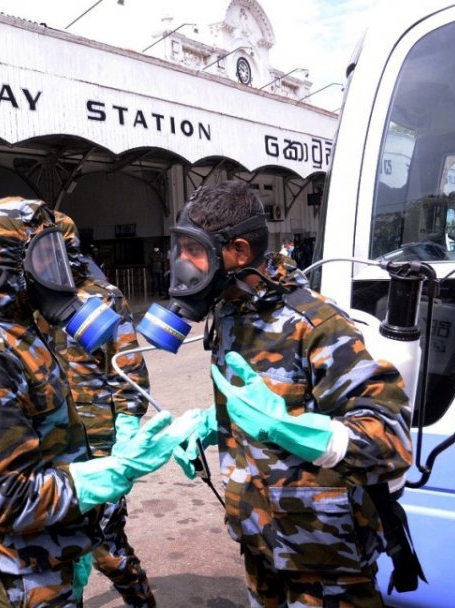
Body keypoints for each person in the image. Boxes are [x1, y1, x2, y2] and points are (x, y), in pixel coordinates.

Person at [0, 196, 203, 607]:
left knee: (113, 551)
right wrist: (118, 469)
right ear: (5, 265)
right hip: (17, 574)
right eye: (45, 259)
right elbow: (11, 498)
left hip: (45, 552)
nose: (60, 273)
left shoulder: (17, 332)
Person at [168, 180, 413, 607]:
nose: (181, 262)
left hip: (325, 559)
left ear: (239, 252)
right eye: (180, 248)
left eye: (194, 250)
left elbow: (390, 437)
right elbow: (262, 397)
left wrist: (298, 431)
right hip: (259, 540)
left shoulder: (315, 323)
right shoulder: (230, 312)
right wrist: (215, 422)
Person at [51, 211, 157, 608]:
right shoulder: (29, 304)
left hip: (99, 448)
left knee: (106, 548)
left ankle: (142, 601)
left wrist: (126, 431)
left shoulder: (102, 298)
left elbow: (129, 374)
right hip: (51, 450)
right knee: (61, 550)